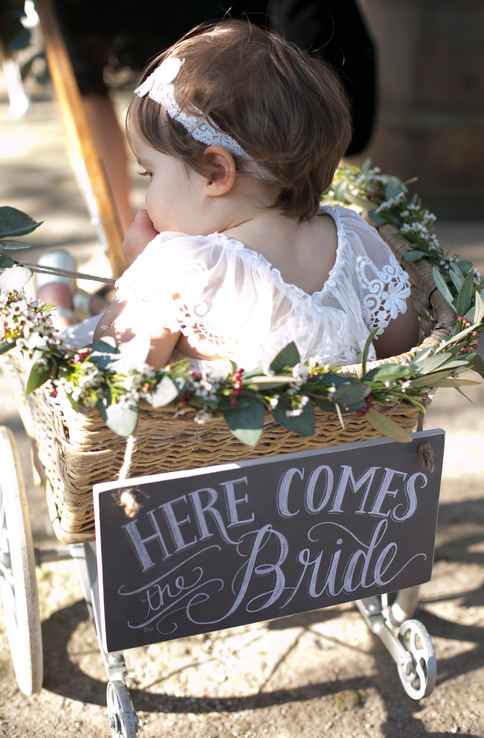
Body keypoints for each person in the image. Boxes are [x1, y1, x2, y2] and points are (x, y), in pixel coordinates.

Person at [51, 20, 416, 373]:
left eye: (151, 173)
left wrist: (140, 274)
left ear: (216, 172)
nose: (146, 196)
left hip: (207, 439)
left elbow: (114, 363)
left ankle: (56, 305)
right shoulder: (354, 239)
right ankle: (63, 305)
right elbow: (402, 349)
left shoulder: (183, 264)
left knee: (71, 343)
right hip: (343, 434)